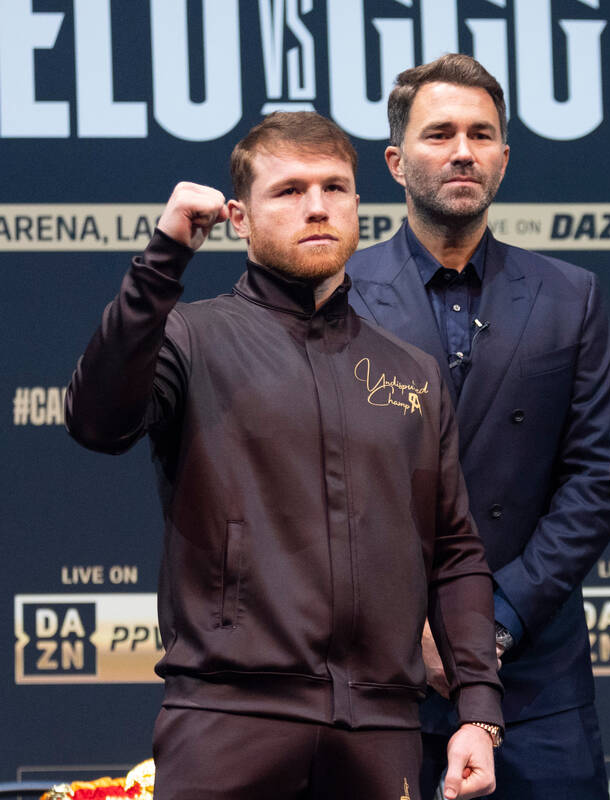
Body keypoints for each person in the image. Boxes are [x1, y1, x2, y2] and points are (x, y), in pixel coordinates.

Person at [64, 111, 502, 800]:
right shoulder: (188, 337)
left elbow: (455, 551)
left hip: (381, 724)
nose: (318, 207)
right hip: (230, 715)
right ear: (238, 216)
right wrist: (163, 260)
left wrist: (477, 710)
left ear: (360, 204)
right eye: (289, 190)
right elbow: (96, 421)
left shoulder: (411, 371)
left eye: (335, 187)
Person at [346, 54, 610, 800]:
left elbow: (598, 476)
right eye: (439, 134)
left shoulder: (571, 295)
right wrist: (413, 631)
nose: (462, 151)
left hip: (533, 669)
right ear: (397, 162)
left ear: (504, 156)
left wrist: (494, 622)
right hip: (377, 673)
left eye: (481, 134)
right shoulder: (336, 293)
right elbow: (316, 488)